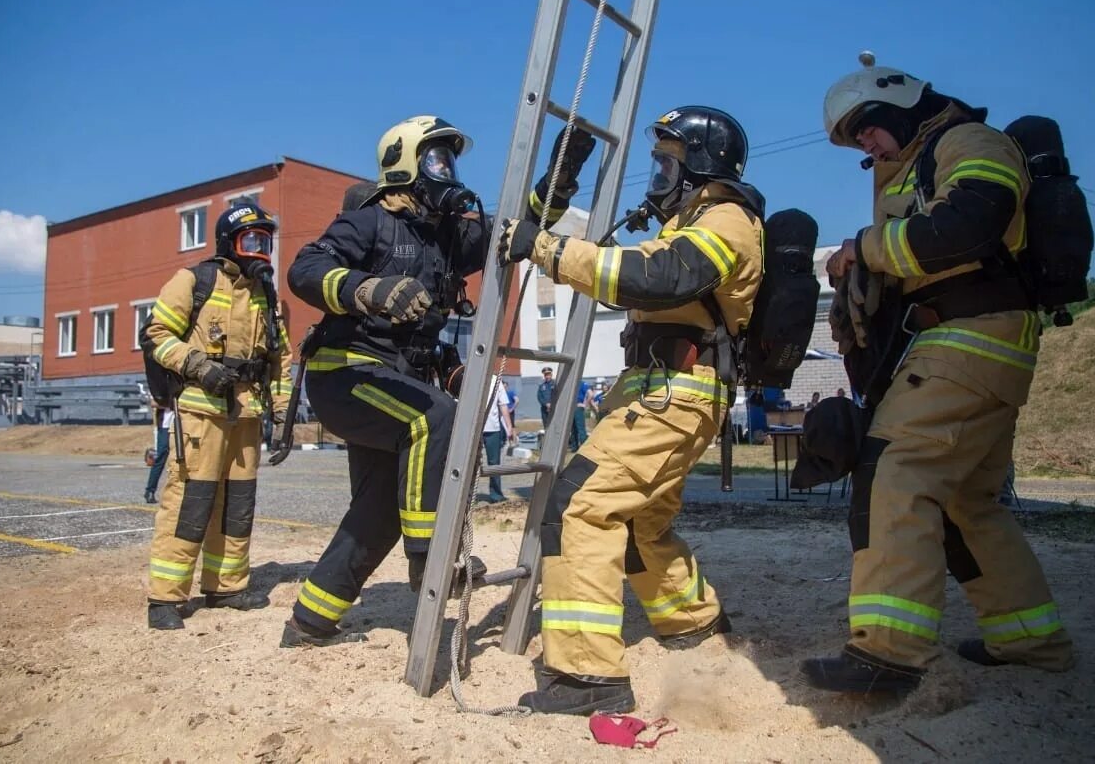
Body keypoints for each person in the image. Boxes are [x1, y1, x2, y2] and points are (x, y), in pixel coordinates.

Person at [803, 58, 1073, 693]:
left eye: (866, 128)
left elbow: (968, 224)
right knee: (966, 502)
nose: (865, 145)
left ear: (899, 105)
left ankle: (888, 656)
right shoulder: (919, 163)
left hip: (969, 337)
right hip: (972, 342)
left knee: (894, 472)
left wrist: (866, 248)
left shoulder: (968, 143)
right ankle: (1031, 640)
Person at [279, 117, 596, 647]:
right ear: (404, 163)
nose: (447, 171)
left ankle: (309, 621)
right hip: (348, 374)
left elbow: (516, 230)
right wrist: (368, 290)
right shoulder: (370, 221)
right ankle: (431, 562)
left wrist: (560, 177)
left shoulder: (445, 236)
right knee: (438, 418)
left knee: (379, 511)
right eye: (436, 159)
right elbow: (304, 269)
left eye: (450, 160)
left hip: (397, 381)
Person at [498, 105, 764, 715]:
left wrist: (547, 248)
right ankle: (693, 624)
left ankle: (585, 678)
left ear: (698, 164)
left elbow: (656, 277)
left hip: (677, 391)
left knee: (579, 507)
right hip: (662, 388)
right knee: (642, 524)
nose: (657, 174)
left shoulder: (727, 220)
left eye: (666, 161)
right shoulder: (695, 220)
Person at [142, 201, 293, 630]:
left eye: (265, 241)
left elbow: (279, 358)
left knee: (237, 505)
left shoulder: (266, 295)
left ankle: (226, 585)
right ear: (229, 241)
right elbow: (156, 335)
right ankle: (165, 598)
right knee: (191, 501)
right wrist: (198, 365)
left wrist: (280, 413)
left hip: (246, 413)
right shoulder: (194, 281)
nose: (260, 249)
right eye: (251, 240)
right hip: (200, 412)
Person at [481, 375, 516, 503]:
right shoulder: (471, 375)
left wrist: (509, 426)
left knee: (494, 463)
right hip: (474, 428)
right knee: (471, 464)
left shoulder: (496, 380)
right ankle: (467, 494)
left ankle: (496, 494)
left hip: (492, 427)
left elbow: (503, 405)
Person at [143, 402, 174, 504]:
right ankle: (150, 491)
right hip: (166, 426)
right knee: (160, 458)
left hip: (182, 425)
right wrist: (174, 403)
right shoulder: (161, 386)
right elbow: (154, 403)